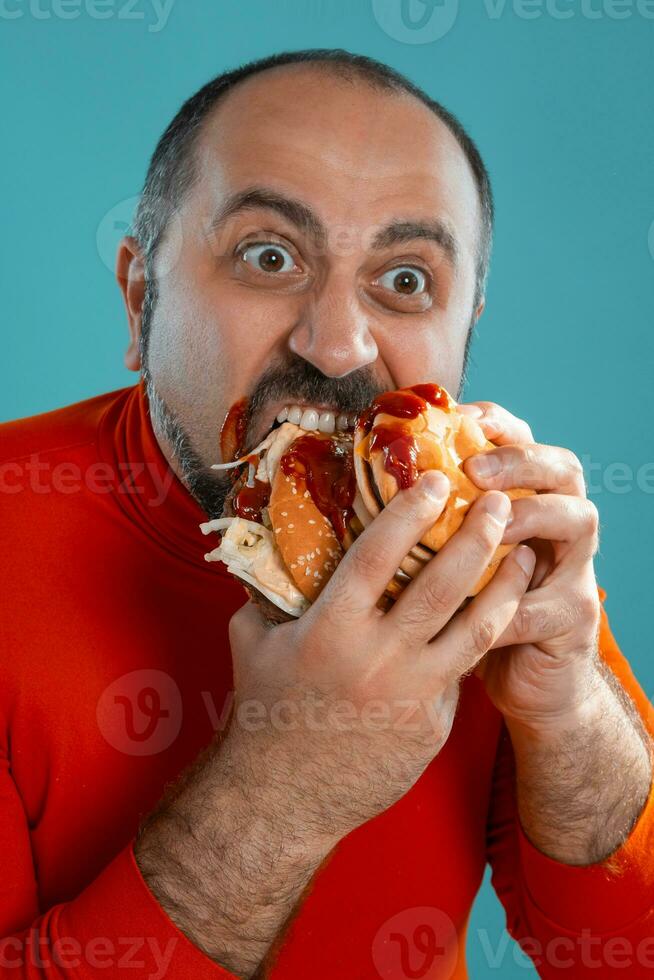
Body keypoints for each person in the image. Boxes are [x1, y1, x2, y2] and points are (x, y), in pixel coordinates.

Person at [1, 49, 652, 980]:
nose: (339, 345)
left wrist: (572, 708)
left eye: (406, 281)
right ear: (141, 299)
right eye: (269, 257)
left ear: (465, 330)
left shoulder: (479, 528)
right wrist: (285, 791)